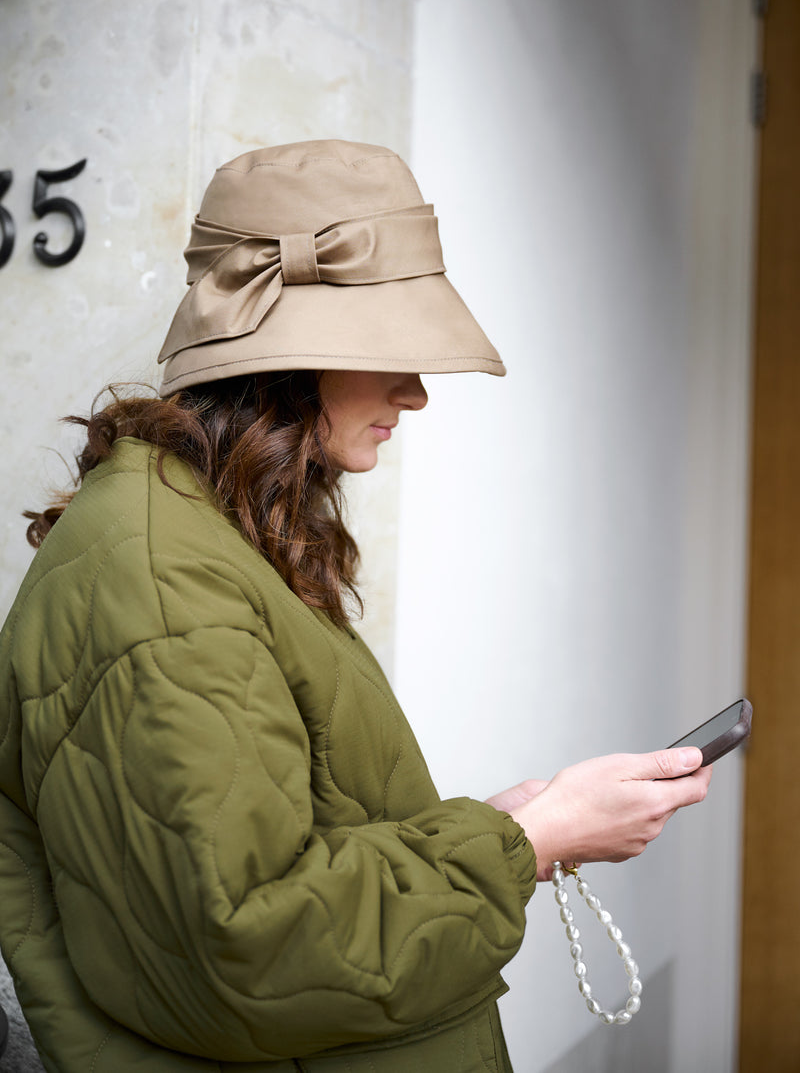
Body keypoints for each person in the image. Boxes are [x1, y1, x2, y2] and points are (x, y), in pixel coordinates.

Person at [0, 140, 711, 1073]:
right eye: (392, 354)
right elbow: (247, 946)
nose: (415, 394)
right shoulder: (164, 579)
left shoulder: (203, 531)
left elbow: (279, 841)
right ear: (291, 362)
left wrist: (498, 831)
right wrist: (526, 841)